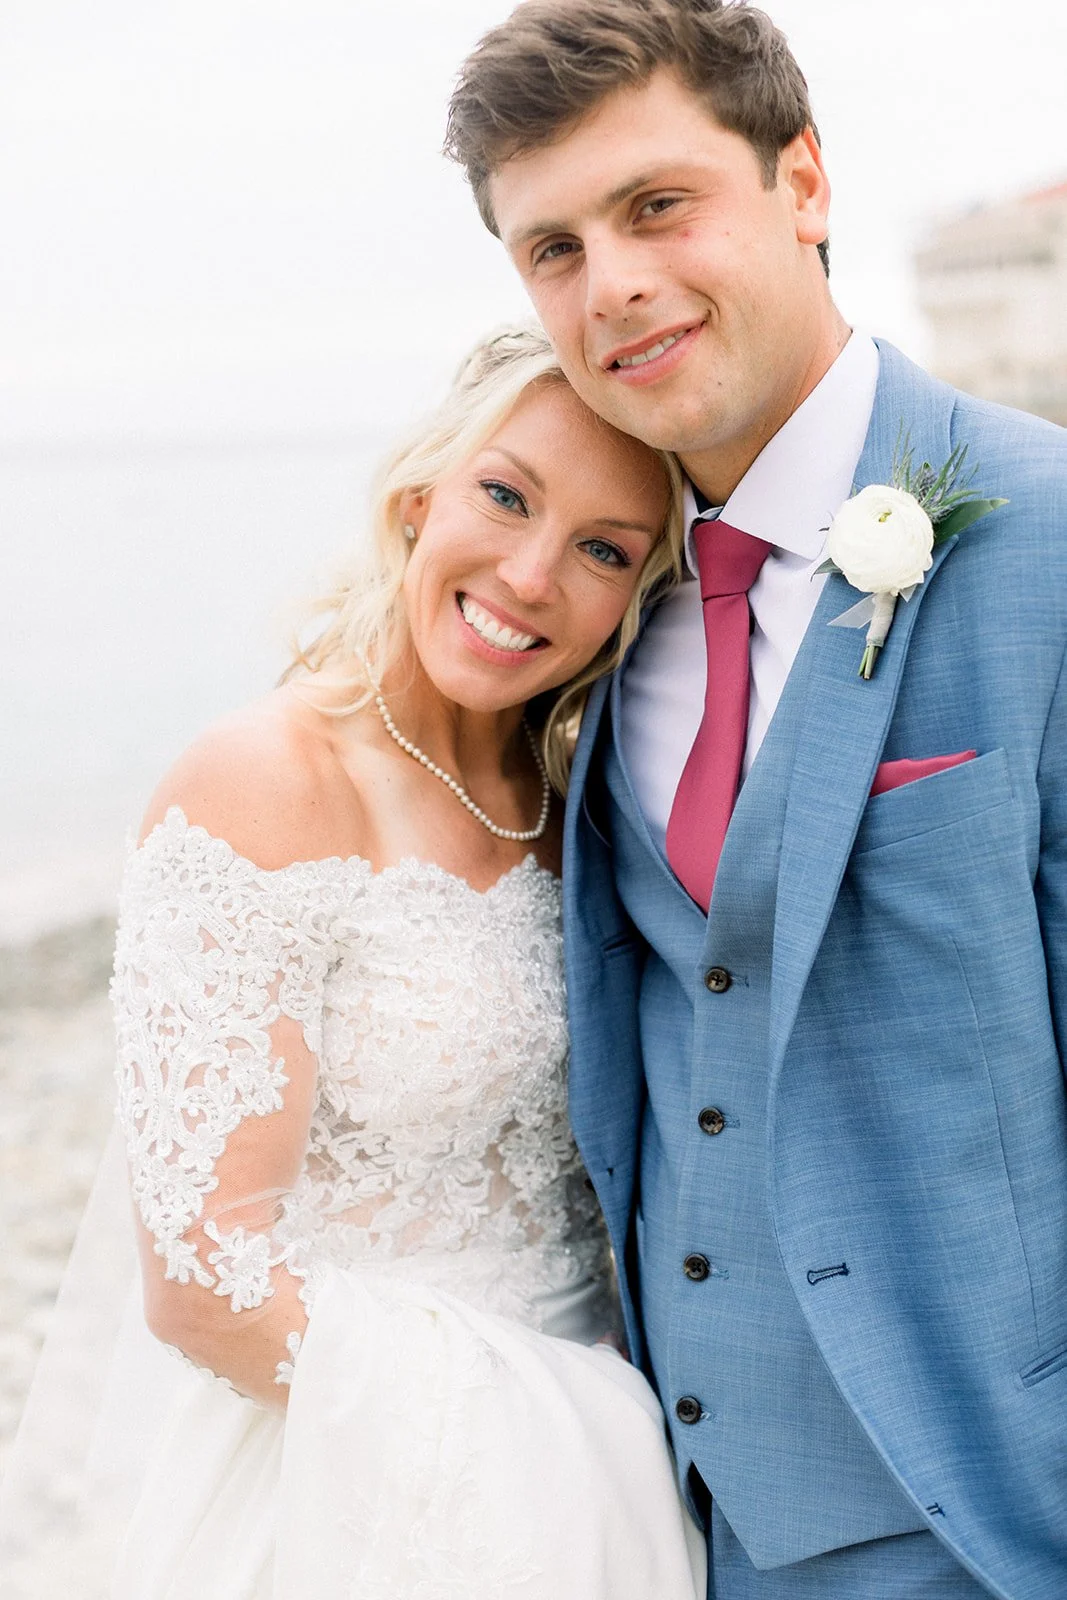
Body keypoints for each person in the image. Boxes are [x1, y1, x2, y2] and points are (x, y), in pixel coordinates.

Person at [445, 4, 1067, 1598]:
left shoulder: (1046, 542)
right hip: (682, 1521)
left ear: (801, 180)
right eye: (553, 249)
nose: (613, 284)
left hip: (998, 1516)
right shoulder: (596, 600)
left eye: (656, 207)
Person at [0, 327, 706, 1598]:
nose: (531, 574)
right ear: (420, 491)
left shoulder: (575, 799)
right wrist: (537, 1442)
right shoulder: (264, 784)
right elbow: (205, 1284)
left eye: (603, 549)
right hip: (371, 1493)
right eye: (505, 495)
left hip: (607, 1484)